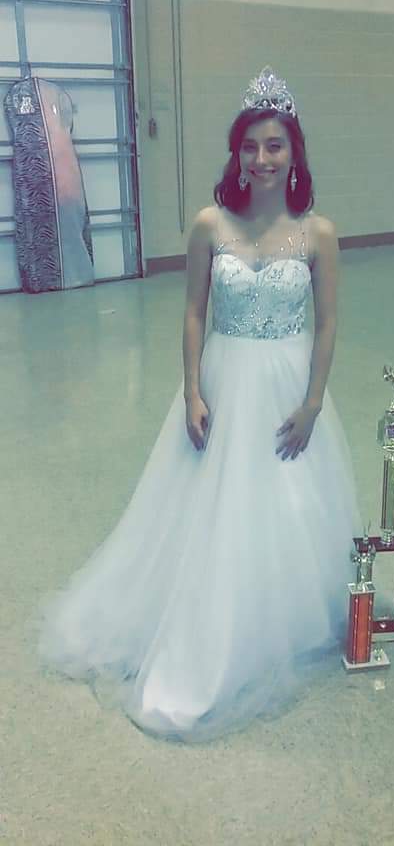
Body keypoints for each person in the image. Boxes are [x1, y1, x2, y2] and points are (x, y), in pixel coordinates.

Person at [39, 67, 361, 742]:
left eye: (275, 145)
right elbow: (192, 312)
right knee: (208, 505)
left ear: (294, 152)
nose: (262, 158)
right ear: (236, 153)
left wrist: (312, 402)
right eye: (251, 146)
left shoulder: (318, 233)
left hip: (286, 385)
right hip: (223, 376)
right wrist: (191, 389)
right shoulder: (211, 224)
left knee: (286, 504)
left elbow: (329, 322)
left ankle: (277, 614)